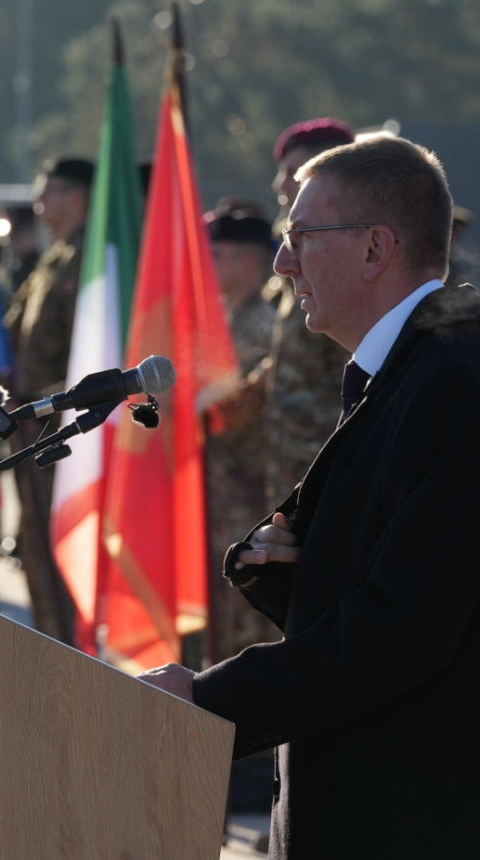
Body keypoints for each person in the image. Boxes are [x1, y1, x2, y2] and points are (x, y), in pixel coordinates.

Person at [139, 136, 480, 857]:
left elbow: (404, 628)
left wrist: (208, 699)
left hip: (422, 816)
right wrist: (298, 570)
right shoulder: (412, 368)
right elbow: (410, 579)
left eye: (302, 236)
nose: (284, 261)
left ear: (375, 249)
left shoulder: (454, 378)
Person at [3, 155, 93, 642]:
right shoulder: (55, 257)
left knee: (59, 547)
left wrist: (42, 405)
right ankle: (55, 647)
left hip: (63, 432)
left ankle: (71, 658)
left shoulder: (88, 259)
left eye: (49, 189)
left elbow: (93, 357)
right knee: (36, 545)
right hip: (35, 429)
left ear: (77, 196)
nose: (39, 199)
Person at [201, 204, 281, 662]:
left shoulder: (262, 328)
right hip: (219, 492)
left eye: (215, 254)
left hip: (247, 500)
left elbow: (233, 411)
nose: (205, 263)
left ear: (248, 262)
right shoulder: (226, 319)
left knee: (246, 627)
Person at [262, 119, 356, 505]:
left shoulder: (345, 257)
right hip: (291, 465)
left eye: (291, 172)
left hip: (331, 468)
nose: (279, 185)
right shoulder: (292, 258)